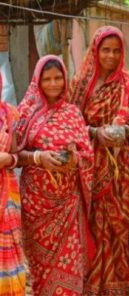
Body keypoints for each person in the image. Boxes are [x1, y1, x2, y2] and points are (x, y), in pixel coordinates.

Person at [16, 55, 95, 295]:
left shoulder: (73, 113)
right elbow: (14, 154)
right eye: (47, 79)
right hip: (36, 206)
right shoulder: (26, 113)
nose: (53, 84)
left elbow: (88, 155)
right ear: (38, 82)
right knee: (41, 269)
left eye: (58, 77)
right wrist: (39, 158)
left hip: (68, 206)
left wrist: (74, 159)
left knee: (70, 265)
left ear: (65, 78)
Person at [70, 26, 129, 295]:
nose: (111, 56)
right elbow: (70, 125)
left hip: (117, 171)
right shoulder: (80, 83)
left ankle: (116, 287)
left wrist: (125, 131)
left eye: (116, 51)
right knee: (90, 229)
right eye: (105, 50)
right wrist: (94, 132)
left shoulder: (128, 83)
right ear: (95, 51)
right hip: (87, 170)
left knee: (116, 230)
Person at [0, 73, 26, 295]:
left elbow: (18, 154)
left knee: (10, 245)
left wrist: (9, 159)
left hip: (7, 191)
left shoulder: (9, 114)